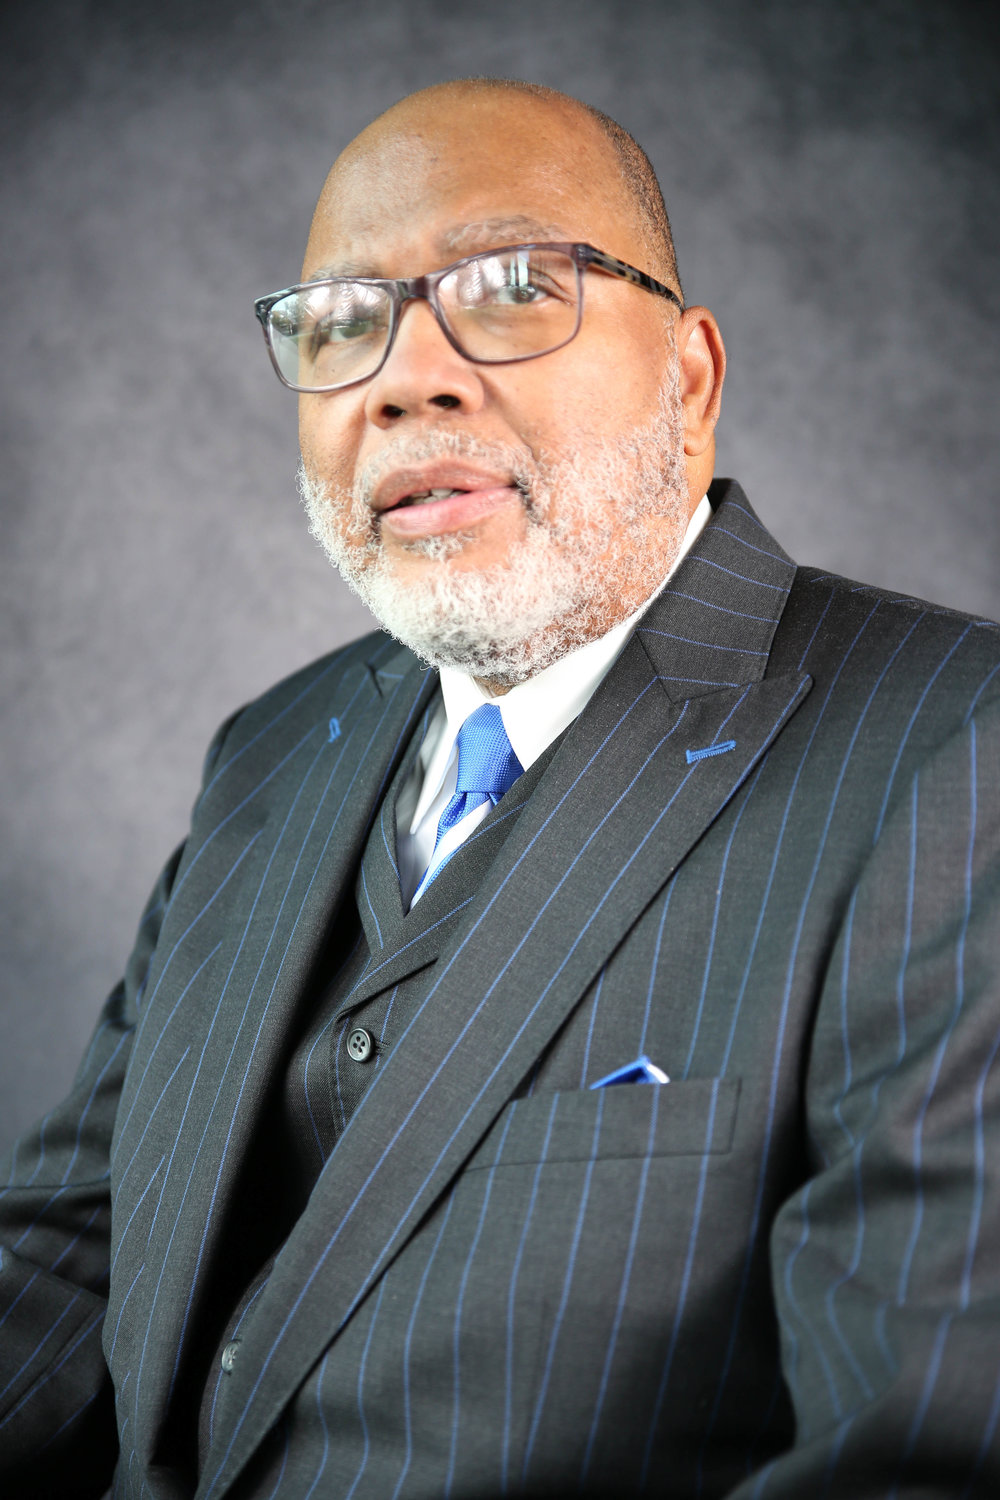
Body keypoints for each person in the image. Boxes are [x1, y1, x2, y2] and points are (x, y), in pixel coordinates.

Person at [1, 77, 998, 1500]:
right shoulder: (271, 753)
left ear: (691, 381)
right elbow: (70, 1247)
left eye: (517, 287)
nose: (405, 378)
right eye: (341, 323)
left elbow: (917, 1453)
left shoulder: (956, 748)